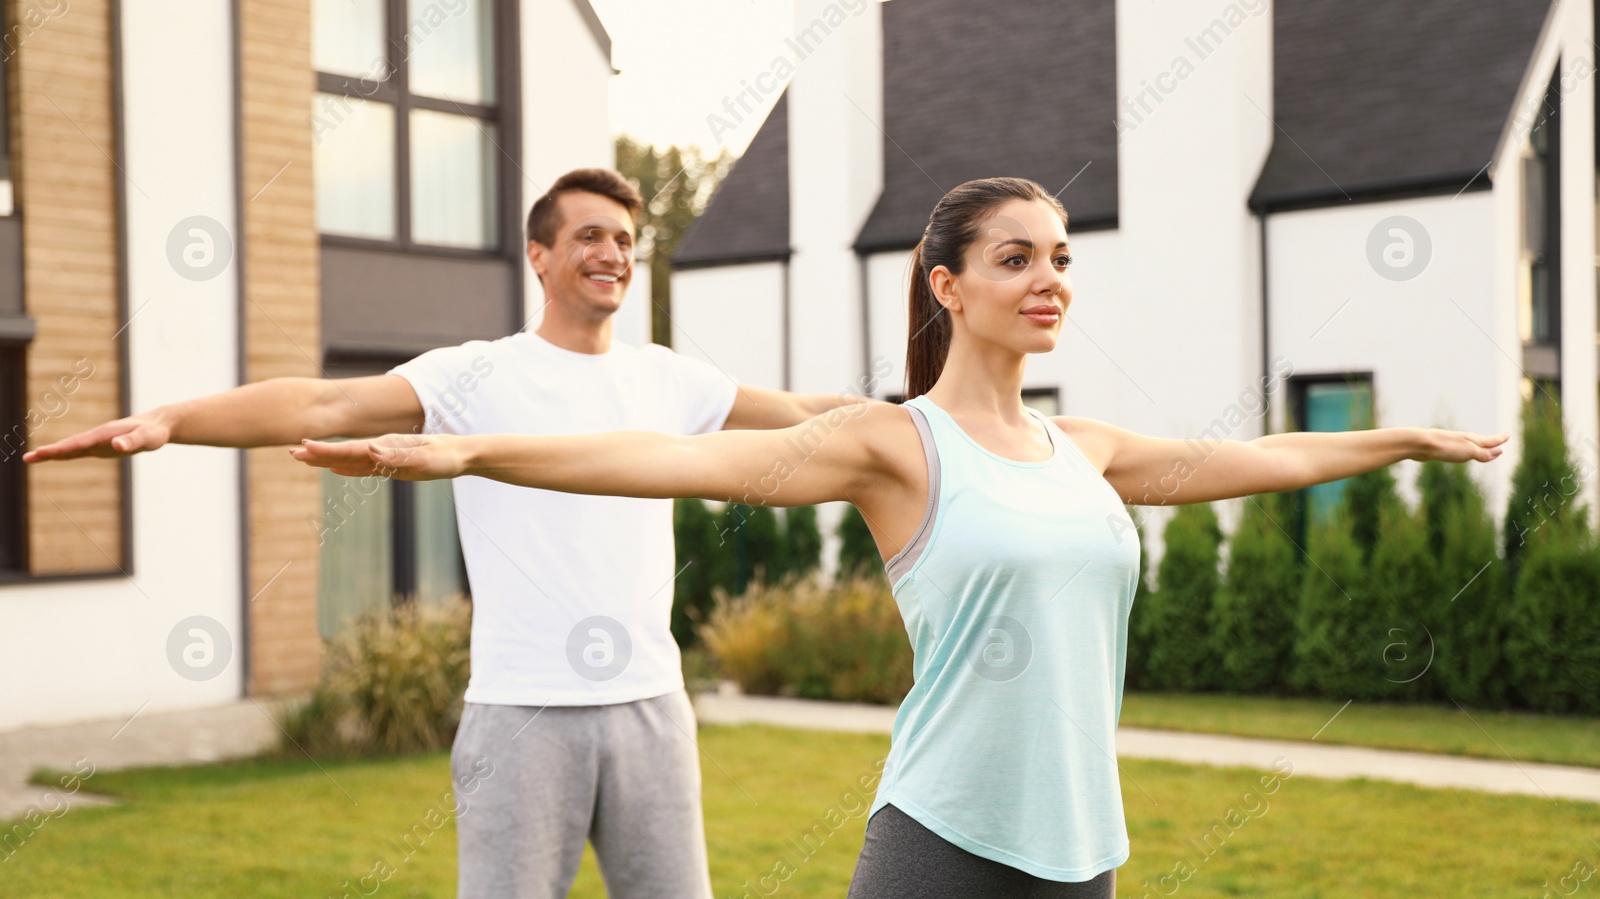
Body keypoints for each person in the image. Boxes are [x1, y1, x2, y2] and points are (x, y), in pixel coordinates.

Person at [290, 176, 1509, 898]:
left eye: (1061, 258)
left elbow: (1264, 459)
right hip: (943, 841)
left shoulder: (1084, 446)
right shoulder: (893, 443)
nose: (1050, 279)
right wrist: (469, 449)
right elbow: (678, 457)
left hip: (1086, 841)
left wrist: (1393, 439)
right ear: (947, 284)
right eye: (1016, 257)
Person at [25, 168, 878, 899]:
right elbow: (325, 402)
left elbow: (804, 413)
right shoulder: (480, 371)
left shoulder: (666, 376)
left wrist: (933, 410)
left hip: (652, 709)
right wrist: (174, 418)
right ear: (540, 255)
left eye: (624, 237)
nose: (612, 252)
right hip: (519, 714)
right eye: (588, 235)